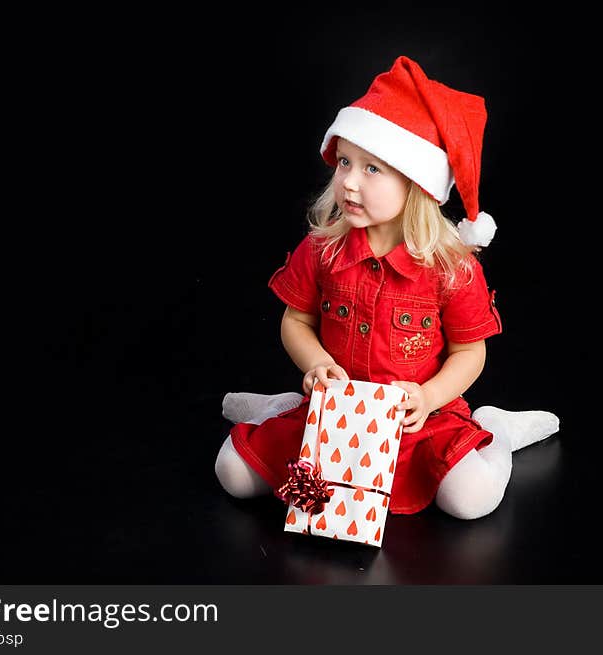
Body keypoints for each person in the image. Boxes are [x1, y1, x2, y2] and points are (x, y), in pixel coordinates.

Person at [215, 56, 559, 520]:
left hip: (419, 420)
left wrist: (430, 397)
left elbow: (469, 352)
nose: (349, 182)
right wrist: (316, 363)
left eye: (372, 169)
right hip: (336, 414)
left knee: (471, 501)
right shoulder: (323, 250)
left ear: (416, 184)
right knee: (232, 474)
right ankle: (284, 409)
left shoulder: (450, 268)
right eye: (344, 162)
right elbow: (296, 321)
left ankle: (493, 429)